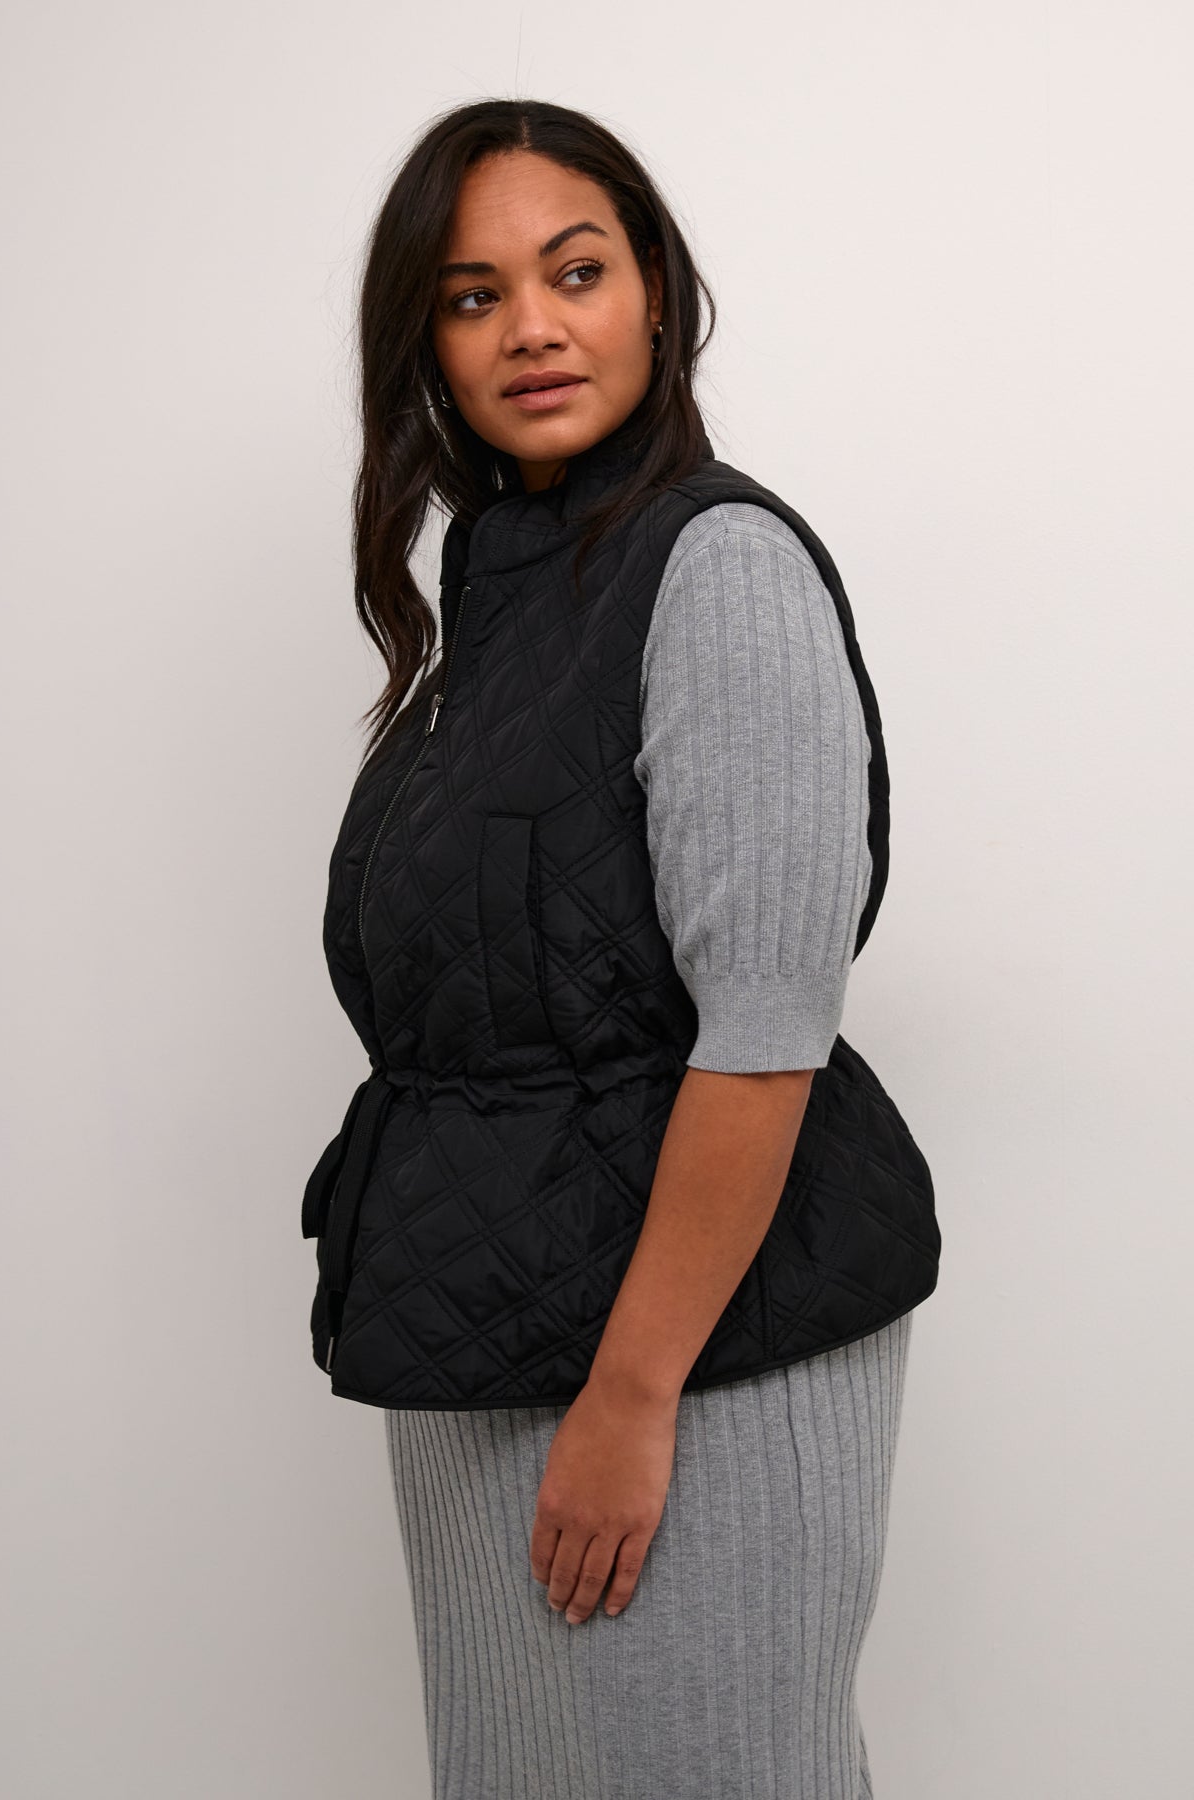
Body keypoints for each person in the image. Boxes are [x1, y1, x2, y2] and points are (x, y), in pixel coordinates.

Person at [301, 97, 941, 1800]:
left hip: (697, 1358)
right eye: (474, 294)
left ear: (656, 292)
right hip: (486, 1343)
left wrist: (633, 1394)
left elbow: (767, 1026)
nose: (532, 326)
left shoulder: (717, 568)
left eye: (575, 272)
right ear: (427, 347)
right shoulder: (496, 608)